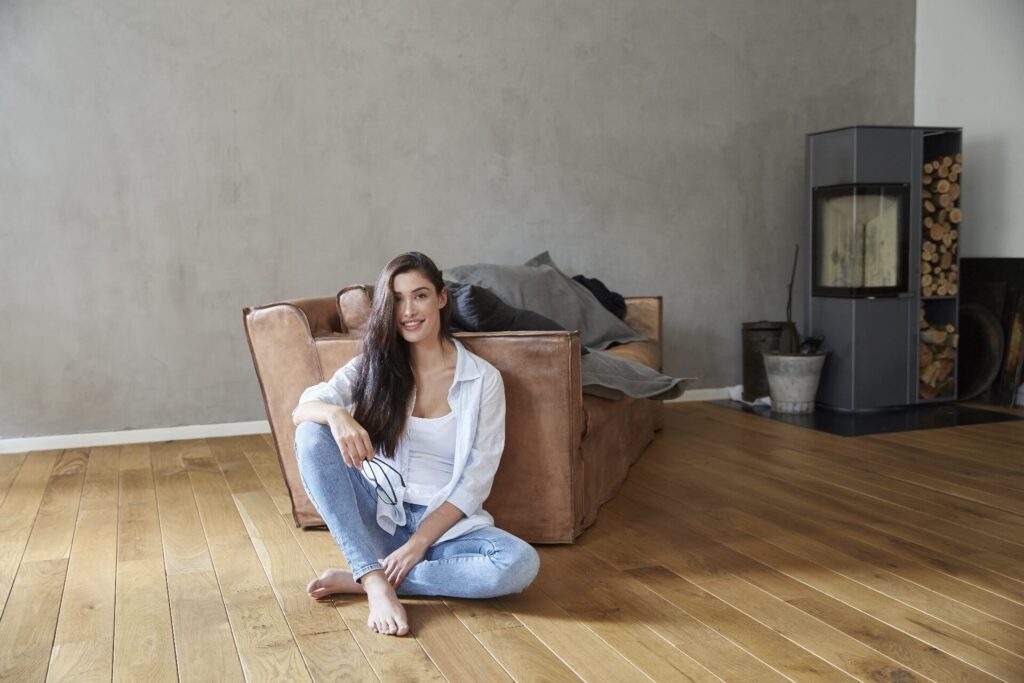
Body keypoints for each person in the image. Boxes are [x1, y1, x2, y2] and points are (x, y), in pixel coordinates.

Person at [291, 252, 540, 637]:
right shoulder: (374, 364)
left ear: (441, 298)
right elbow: (302, 408)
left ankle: (361, 574)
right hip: (381, 515)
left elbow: (476, 480)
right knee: (311, 433)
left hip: (442, 529)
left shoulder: (482, 380)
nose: (408, 310)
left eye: (420, 295)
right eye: (397, 299)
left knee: (518, 564)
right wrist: (337, 416)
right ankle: (375, 582)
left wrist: (418, 544)